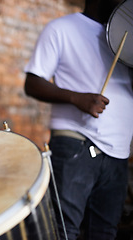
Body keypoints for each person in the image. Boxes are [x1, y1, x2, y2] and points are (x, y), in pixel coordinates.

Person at [24, 0, 133, 239]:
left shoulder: (126, 37)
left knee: (105, 233)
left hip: (119, 152)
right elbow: (32, 82)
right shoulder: (61, 28)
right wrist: (76, 98)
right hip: (76, 145)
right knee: (63, 230)